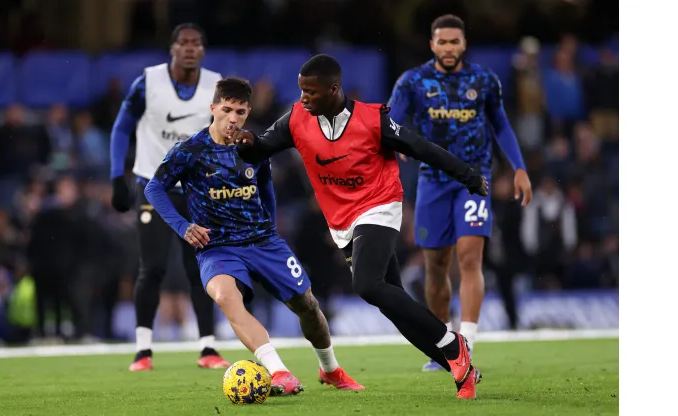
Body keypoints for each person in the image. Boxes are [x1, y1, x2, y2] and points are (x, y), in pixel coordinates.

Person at [229, 54, 486, 399]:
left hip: (379, 204)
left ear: (334, 89)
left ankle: (451, 344)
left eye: (311, 92)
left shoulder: (372, 120)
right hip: (342, 220)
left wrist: (468, 176)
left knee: (366, 284)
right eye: (301, 90)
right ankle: (462, 369)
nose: (303, 98)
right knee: (393, 304)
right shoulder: (296, 120)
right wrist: (247, 144)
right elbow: (260, 149)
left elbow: (420, 148)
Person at [144, 77, 364, 395]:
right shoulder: (189, 151)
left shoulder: (252, 146)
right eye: (227, 110)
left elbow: (265, 186)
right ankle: (279, 372)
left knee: (308, 306)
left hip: (263, 241)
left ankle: (330, 369)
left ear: (248, 112)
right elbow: (154, 187)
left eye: (241, 112)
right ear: (213, 108)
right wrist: (183, 226)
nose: (233, 118)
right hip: (217, 247)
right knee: (225, 296)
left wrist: (271, 227)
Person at [386, 14, 533, 371]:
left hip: (474, 180)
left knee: (469, 257)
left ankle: (466, 342)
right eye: (442, 41)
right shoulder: (413, 81)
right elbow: (389, 122)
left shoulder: (484, 81)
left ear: (464, 44)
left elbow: (501, 124)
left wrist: (519, 167)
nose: (449, 48)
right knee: (435, 268)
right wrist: (396, 141)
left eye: (455, 42)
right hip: (432, 182)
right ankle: (445, 347)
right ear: (432, 44)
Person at [109, 22, 228, 371]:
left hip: (196, 190)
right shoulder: (148, 82)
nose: (190, 48)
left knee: (201, 267)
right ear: (172, 48)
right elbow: (121, 126)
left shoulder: (215, 86)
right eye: (184, 43)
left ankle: (208, 347)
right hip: (153, 186)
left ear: (203, 50)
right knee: (153, 267)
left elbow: (225, 133)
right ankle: (143, 350)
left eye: (197, 43)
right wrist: (118, 176)